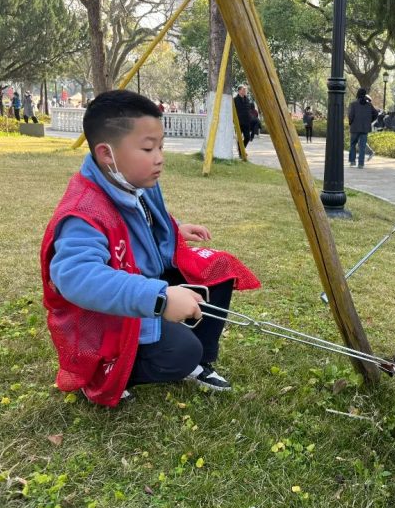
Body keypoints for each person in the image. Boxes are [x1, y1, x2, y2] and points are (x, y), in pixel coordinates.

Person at [40, 90, 261, 407]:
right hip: (106, 314)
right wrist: (159, 298)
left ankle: (200, 362)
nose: (159, 157)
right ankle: (105, 373)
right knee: (180, 352)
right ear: (106, 154)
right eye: (147, 148)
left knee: (218, 268)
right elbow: (75, 276)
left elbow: (143, 219)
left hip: (144, 279)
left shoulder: (134, 180)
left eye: (161, 146)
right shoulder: (84, 213)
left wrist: (176, 228)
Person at [348, 87, 377, 168]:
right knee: (362, 146)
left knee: (353, 144)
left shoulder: (353, 104)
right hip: (365, 128)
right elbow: (375, 114)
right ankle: (361, 164)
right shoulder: (369, 105)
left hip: (355, 127)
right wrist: (369, 121)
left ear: (357, 94)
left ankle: (352, 161)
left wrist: (351, 123)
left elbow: (351, 116)